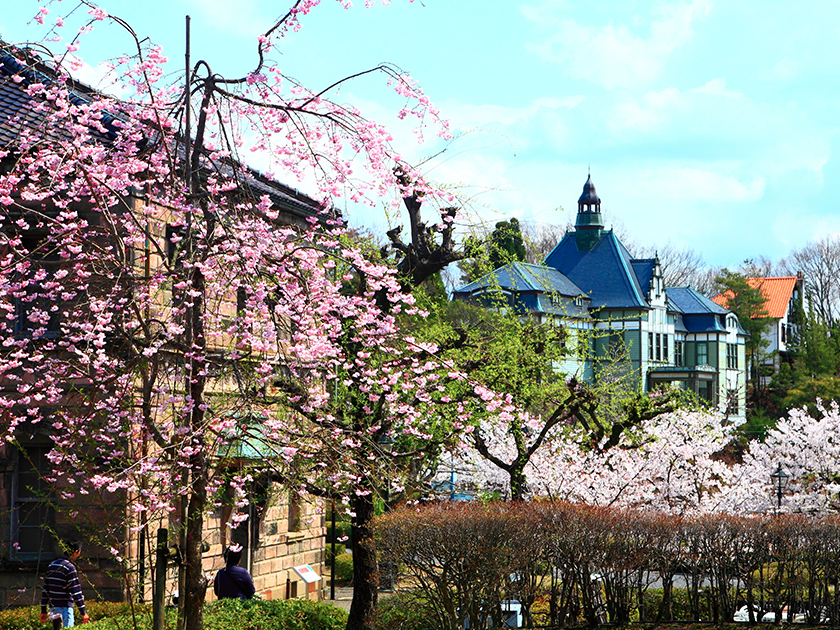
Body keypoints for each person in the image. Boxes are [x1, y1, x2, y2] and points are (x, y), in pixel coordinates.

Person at [40, 540, 88, 628]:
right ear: (76, 552)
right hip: (65, 607)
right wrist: (83, 612)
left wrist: (43, 610)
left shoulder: (52, 566)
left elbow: (45, 589)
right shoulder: (70, 568)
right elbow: (76, 591)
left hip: (53, 607)